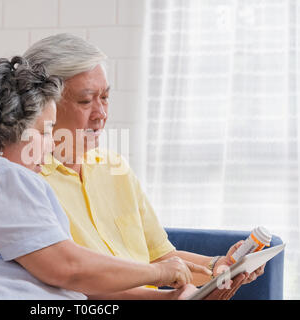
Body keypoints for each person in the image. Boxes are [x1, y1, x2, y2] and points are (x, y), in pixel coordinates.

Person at [0, 56, 213, 300]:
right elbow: (69, 268)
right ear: (8, 130)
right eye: (45, 131)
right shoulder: (1, 175)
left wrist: (164, 295)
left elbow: (67, 273)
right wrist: (160, 273)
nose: (51, 144)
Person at [23, 33, 264, 299]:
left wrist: (217, 266)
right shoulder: (28, 181)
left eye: (104, 98)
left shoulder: (114, 168)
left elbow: (162, 256)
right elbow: (73, 284)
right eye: (85, 100)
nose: (101, 114)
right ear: (45, 105)